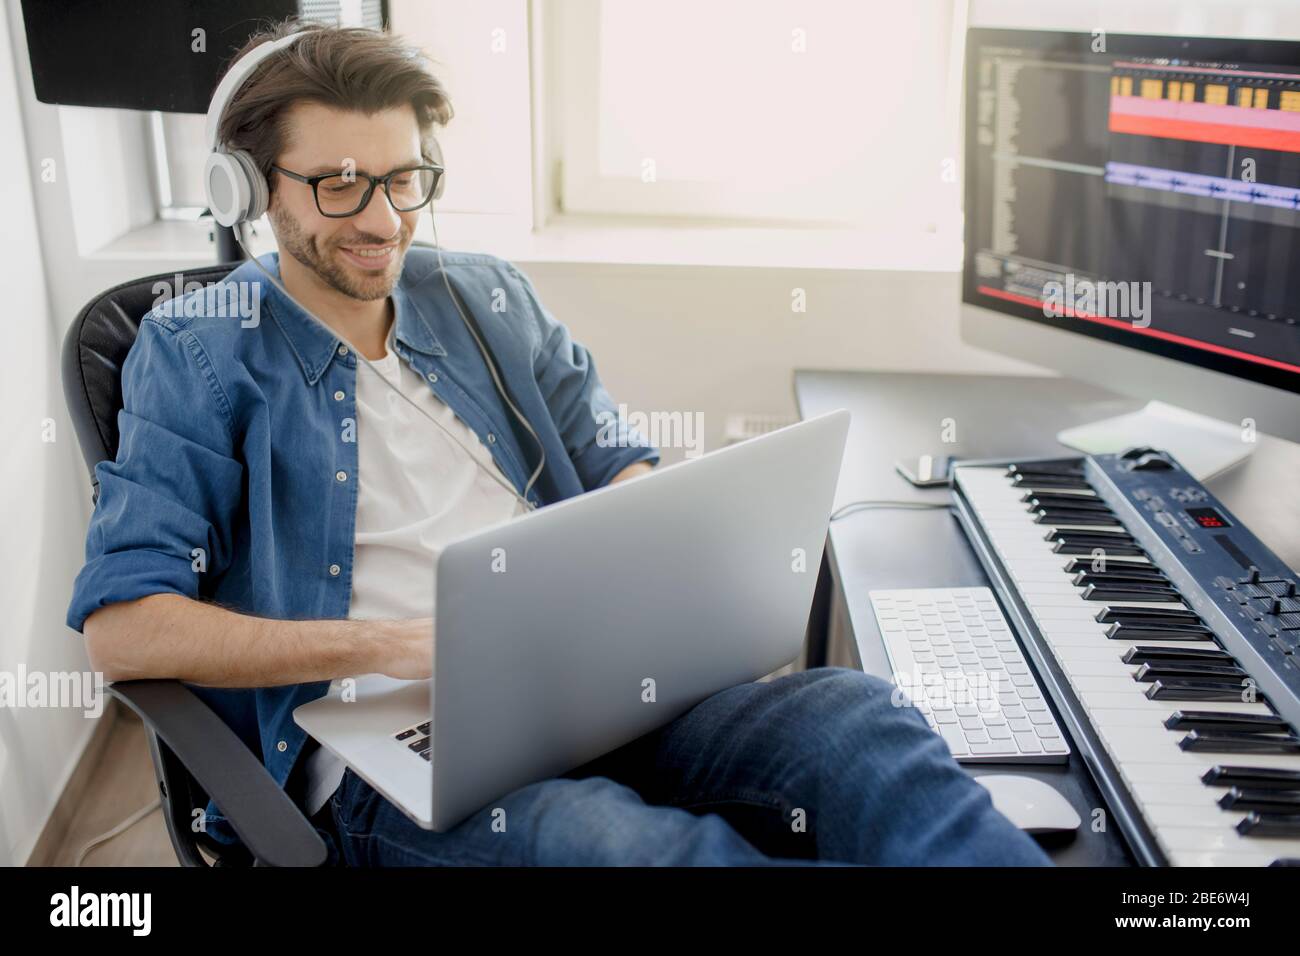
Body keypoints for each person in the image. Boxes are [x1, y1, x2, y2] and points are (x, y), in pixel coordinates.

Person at [67, 20, 1049, 867]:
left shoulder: (481, 294)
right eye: (338, 186)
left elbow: (617, 458)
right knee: (612, 843)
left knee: (855, 720)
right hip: (382, 754)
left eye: (406, 180)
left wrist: (673, 531)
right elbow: (124, 627)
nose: (384, 220)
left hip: (583, 683)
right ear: (250, 188)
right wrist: (402, 644)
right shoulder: (196, 352)